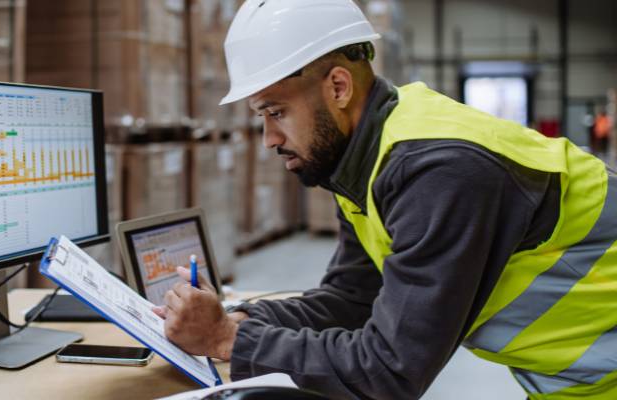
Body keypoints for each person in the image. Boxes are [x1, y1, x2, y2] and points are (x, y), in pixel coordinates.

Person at [151, 1, 617, 398]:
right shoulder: (366, 160)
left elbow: (390, 371)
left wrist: (228, 339)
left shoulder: (440, 171)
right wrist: (242, 318)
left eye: (276, 112)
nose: (269, 139)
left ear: (337, 87)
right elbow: (354, 298)